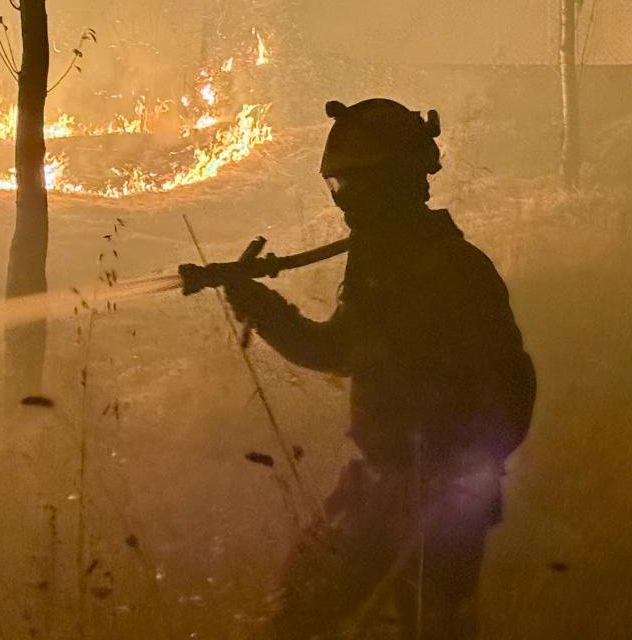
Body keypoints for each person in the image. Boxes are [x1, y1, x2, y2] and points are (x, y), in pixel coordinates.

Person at [223, 98, 536, 639]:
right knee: (302, 610)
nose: (343, 203)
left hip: (436, 494)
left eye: (349, 186)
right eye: (335, 186)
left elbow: (510, 382)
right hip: (384, 480)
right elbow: (341, 350)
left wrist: (459, 476)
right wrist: (257, 303)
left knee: (427, 627)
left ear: (390, 184)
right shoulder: (392, 256)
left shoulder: (442, 268)